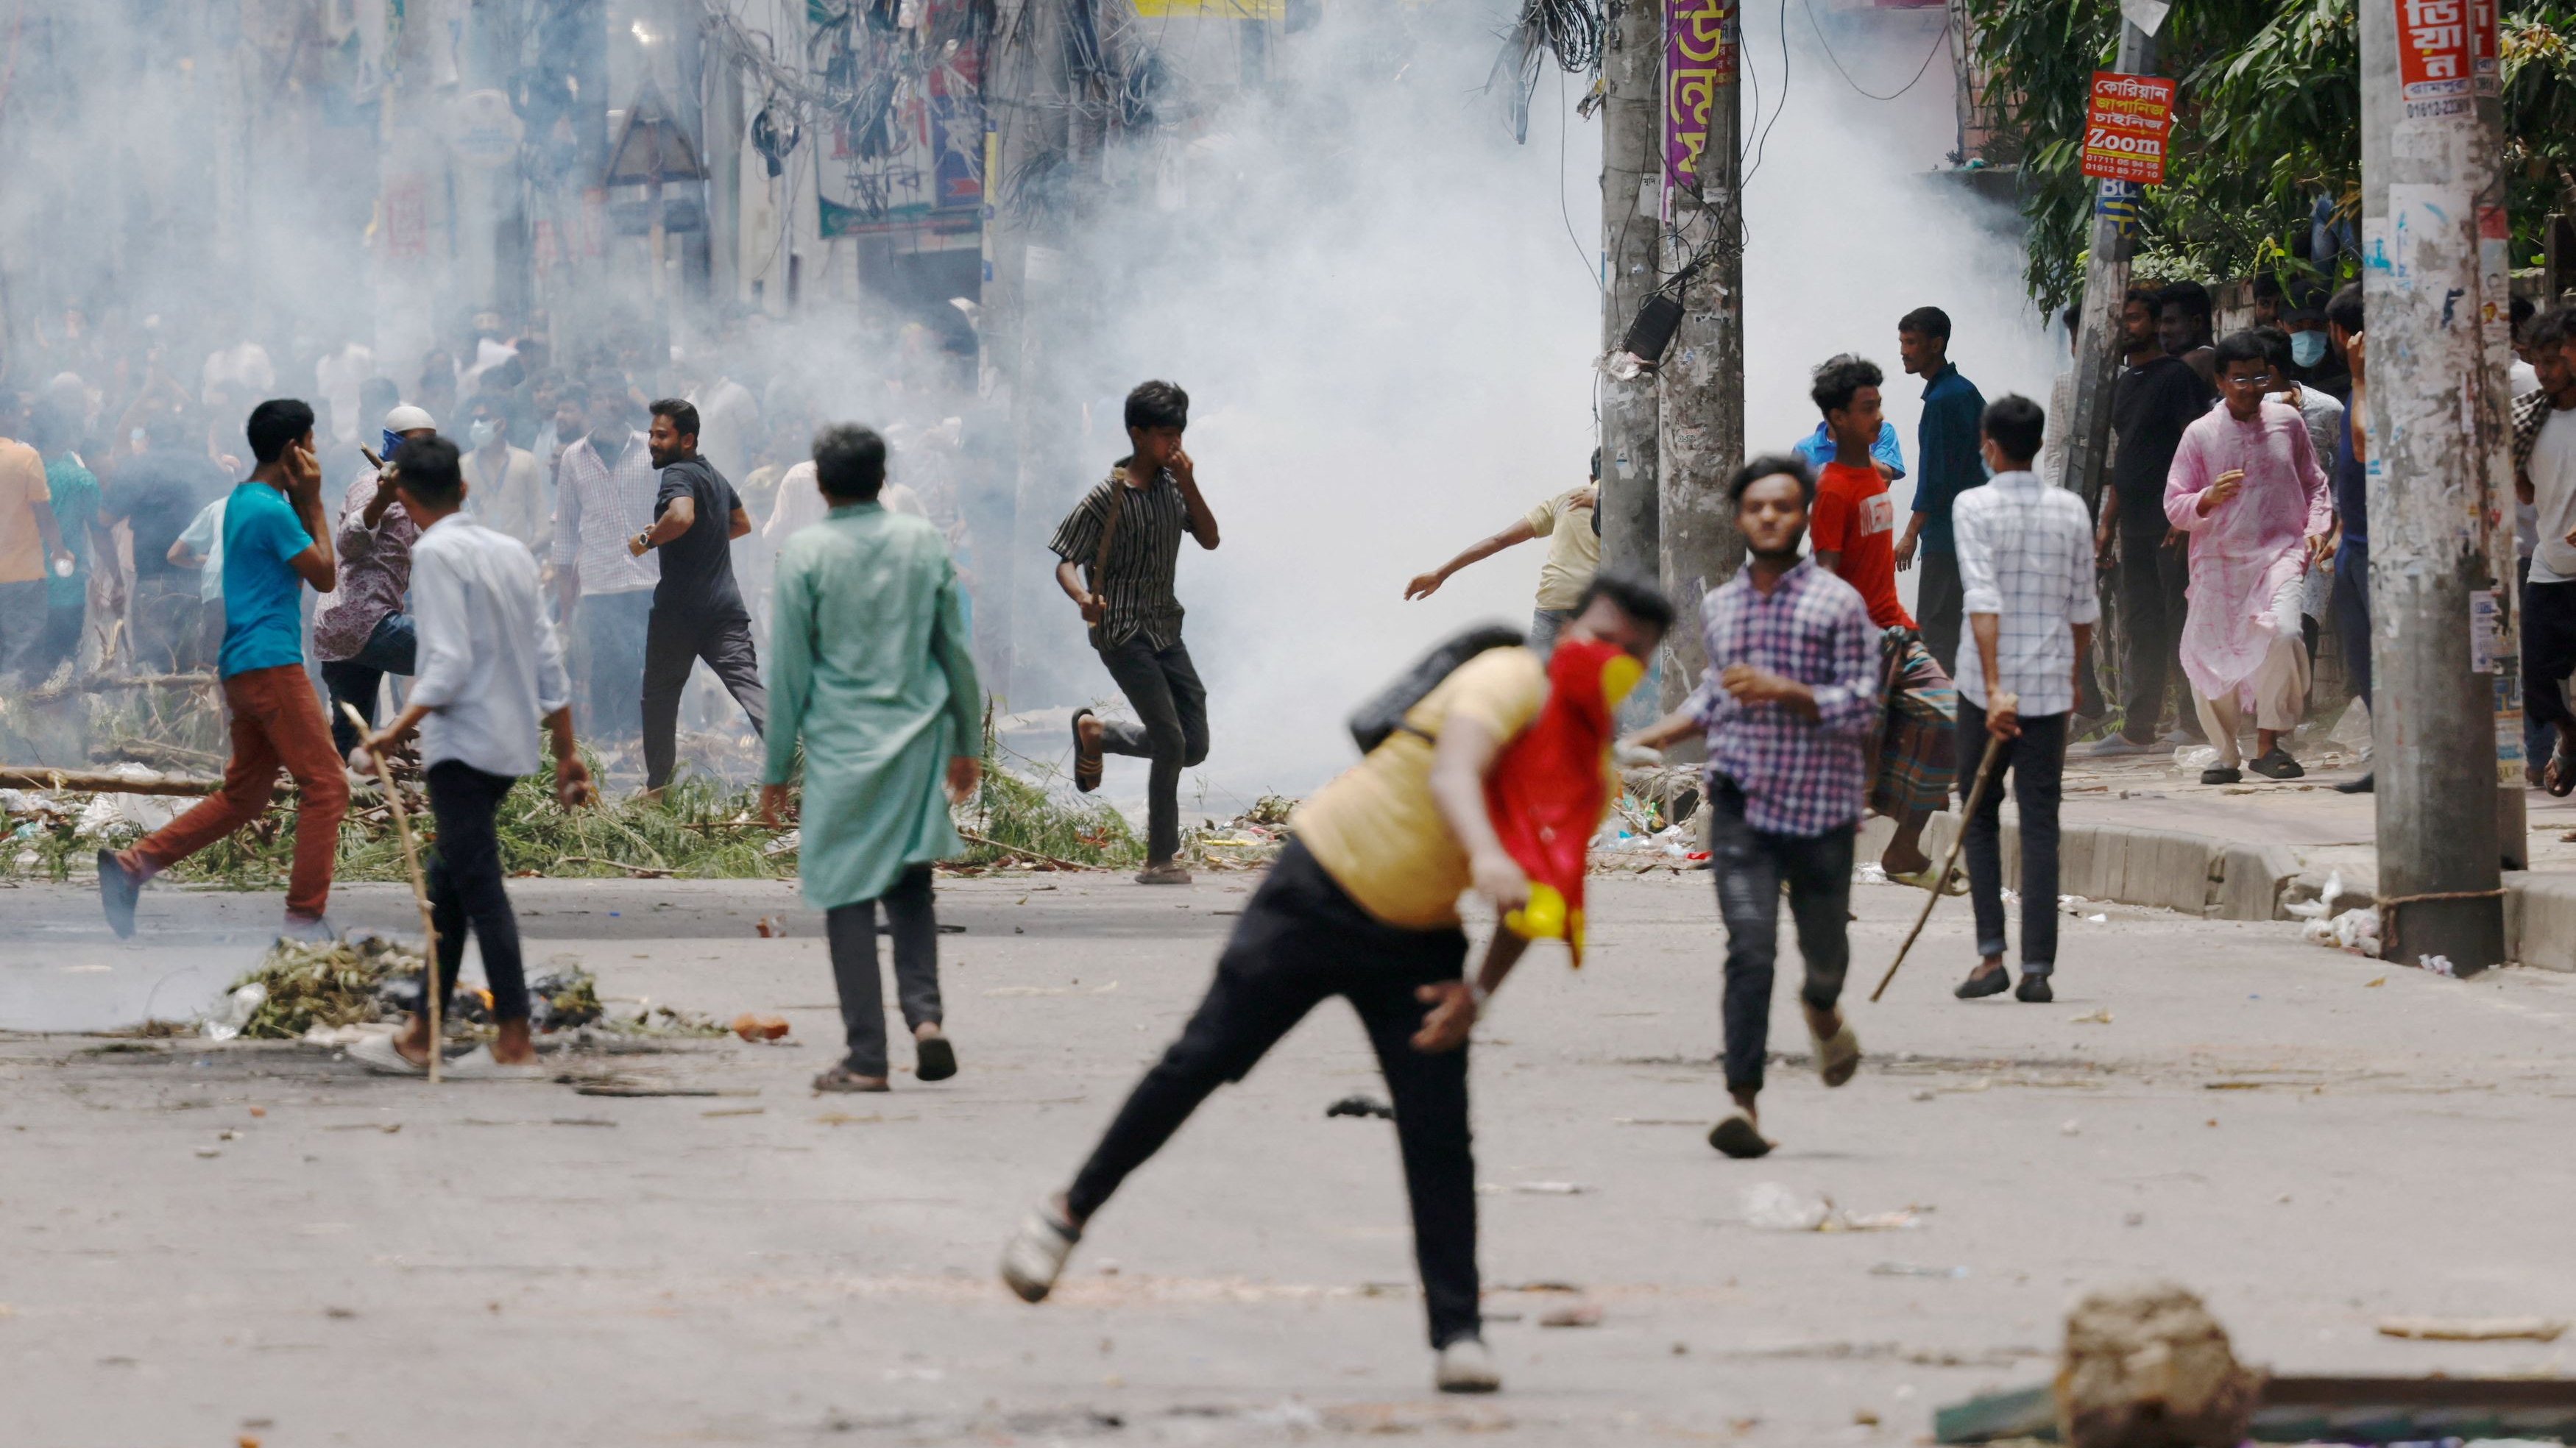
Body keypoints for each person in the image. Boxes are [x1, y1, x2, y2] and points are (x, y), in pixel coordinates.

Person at [998, 572, 1676, 1396]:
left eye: (1630, 657)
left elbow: (1541, 894)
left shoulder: (1589, 772)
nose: (1610, 660)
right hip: (1315, 889)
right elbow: (1455, 772)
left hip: (1418, 939)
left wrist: (1479, 995)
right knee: (1201, 1058)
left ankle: (1457, 1334)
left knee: (1438, 1130)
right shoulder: (1505, 678)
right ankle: (1063, 1217)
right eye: (1601, 638)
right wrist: (1487, 854)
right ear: (1568, 630)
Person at [1627, 457, 1875, 1160]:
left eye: (1784, 507)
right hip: (1741, 806)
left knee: (1823, 958)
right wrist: (1650, 736)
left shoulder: (1837, 605)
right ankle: (1745, 1105)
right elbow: (1716, 695)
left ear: (1801, 518)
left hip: (1822, 808)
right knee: (1750, 950)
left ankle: (1822, 1010)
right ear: (1739, 518)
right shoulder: (1721, 607)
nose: (1770, 517)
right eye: (1757, 507)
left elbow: (1862, 705)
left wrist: (1789, 691)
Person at [345, 436, 595, 1079]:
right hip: (509, 746)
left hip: (463, 749)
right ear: (463, 489)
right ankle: (421, 1035)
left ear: (402, 500)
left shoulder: (433, 554)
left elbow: (446, 664)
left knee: (478, 891)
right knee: (449, 888)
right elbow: (547, 656)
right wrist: (566, 752)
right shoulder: (509, 551)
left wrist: (390, 734)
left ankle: (514, 1040)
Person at [758, 425, 980, 1093]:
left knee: (847, 894)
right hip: (917, 745)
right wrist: (967, 743)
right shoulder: (923, 544)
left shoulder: (805, 554)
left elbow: (790, 673)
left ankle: (866, 1057)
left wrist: (773, 772)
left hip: (841, 749)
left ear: (820, 485)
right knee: (910, 886)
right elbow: (956, 654)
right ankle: (926, 1019)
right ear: (883, 478)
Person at [96, 400, 348, 940]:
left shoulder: (241, 500)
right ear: (294, 450)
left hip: (241, 664)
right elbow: (325, 576)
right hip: (271, 663)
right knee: (327, 786)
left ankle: (131, 867)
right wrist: (316, 501)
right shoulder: (273, 511)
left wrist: (302, 500)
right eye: (313, 443)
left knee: (244, 797)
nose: (318, 454)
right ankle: (305, 918)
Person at [1949, 396, 2096, 1004]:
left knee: (1979, 819)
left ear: (1988, 444)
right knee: (2040, 824)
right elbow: (2083, 608)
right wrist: (2072, 676)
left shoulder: (1972, 505)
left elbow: (1982, 600)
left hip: (1987, 691)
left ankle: (1991, 956)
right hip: (2049, 689)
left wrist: (1991, 690)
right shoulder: (2071, 509)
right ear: (2037, 443)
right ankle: (2037, 968)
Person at [1051, 380, 1221, 884]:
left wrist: (1189, 482)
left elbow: (1210, 538)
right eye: (1165, 436)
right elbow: (1066, 561)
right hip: (1122, 630)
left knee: (1194, 745)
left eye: (1179, 436)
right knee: (1169, 738)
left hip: (1166, 625)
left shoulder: (1175, 485)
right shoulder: (1109, 496)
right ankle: (1160, 858)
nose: (1174, 446)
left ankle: (1097, 734)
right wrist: (1083, 597)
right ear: (1137, 434)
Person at [1805, 355, 1952, 884]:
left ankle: (1904, 849)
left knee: (1945, 716)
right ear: (1838, 418)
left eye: (1879, 405)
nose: (1878, 417)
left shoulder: (1874, 471)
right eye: (1868, 409)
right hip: (1858, 640)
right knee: (1849, 768)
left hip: (1896, 630)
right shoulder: (1832, 489)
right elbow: (1825, 575)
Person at [2165, 333, 2332, 785]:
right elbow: (2174, 505)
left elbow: (2315, 482)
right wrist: (2207, 496)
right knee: (2208, 652)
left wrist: (2317, 529)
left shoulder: (2288, 422)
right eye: (2239, 379)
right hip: (2217, 563)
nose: (2250, 387)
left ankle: (2270, 744)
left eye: (2259, 377)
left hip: (2280, 554)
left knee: (2283, 634)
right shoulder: (2200, 434)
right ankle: (2225, 753)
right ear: (2220, 381)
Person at [2090, 288, 2215, 756]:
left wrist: (2190, 513)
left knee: (2180, 618)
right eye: (2120, 320)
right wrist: (2108, 522)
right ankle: (2138, 727)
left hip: (2171, 524)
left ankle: (2194, 722)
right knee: (2140, 623)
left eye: (2135, 318)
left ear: (2154, 322)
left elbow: (2196, 446)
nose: (2126, 328)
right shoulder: (2125, 382)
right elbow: (2129, 454)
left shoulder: (2177, 377)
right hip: (2135, 524)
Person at [631, 398, 767, 794]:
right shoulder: (714, 475)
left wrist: (646, 539)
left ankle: (658, 792)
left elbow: (682, 516)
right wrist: (699, 541)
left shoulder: (677, 473)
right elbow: (741, 524)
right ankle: (797, 763)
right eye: (651, 434)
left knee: (659, 699)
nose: (653, 442)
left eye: (662, 435)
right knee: (749, 688)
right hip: (725, 608)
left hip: (679, 613)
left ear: (687, 440)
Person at [315, 406, 437, 761]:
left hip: (345, 629)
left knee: (349, 743)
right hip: (363, 620)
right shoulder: (371, 485)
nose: (426, 453)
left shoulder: (412, 492)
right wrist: (383, 500)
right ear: (394, 445)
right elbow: (349, 543)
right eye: (418, 443)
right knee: (457, 655)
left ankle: (332, 806)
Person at [553, 381, 661, 745]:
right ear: (590, 405)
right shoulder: (573, 457)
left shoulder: (651, 449)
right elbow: (566, 529)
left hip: (649, 576)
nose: (608, 403)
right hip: (598, 580)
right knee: (606, 661)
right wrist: (566, 595)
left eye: (615, 395)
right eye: (600, 396)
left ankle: (639, 735)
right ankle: (605, 738)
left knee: (647, 660)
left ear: (625, 402)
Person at [1403, 458, 1599, 656]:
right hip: (1594, 605)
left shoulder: (1565, 500)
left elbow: (1499, 540)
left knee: (1538, 675)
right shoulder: (1623, 506)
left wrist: (1441, 573)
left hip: (1553, 601)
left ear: (1592, 478)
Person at [1892, 305, 1989, 676]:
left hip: (1948, 535)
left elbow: (1937, 477)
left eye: (1912, 342)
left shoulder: (1945, 399)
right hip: (1971, 531)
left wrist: (1910, 533)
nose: (1903, 350)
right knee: (1961, 627)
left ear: (1937, 344)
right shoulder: (1960, 392)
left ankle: (1946, 723)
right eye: (1901, 342)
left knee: (1936, 629)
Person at [102, 411, 228, 674]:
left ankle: (163, 715)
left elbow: (104, 519)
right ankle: (200, 715)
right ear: (183, 437)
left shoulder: (138, 467)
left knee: (158, 674)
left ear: (148, 439)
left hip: (154, 582)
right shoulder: (208, 468)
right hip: (204, 583)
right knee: (203, 670)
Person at [2516, 308, 2576, 794]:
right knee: (2534, 676)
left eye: (2554, 359)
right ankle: (2568, 733)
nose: (2546, 371)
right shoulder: (2529, 418)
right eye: (2538, 361)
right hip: (2551, 565)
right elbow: (2528, 492)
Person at [2321, 285, 2376, 795]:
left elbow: (2363, 451)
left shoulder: (2371, 387)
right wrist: (2337, 528)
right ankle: (2385, 758)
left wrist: (2359, 377)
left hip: (2379, 548)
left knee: (2382, 658)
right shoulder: (2353, 394)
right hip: (2353, 541)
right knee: (2362, 661)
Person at [30, 405, 102, 673]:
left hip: (18, 587)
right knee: (63, 666)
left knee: (22, 667)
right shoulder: (81, 479)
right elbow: (99, 530)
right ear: (65, 435)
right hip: (66, 590)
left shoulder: (17, 472)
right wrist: (114, 577)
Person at [0, 423, 74, 681]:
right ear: (7, 414)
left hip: (21, 578)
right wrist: (60, 551)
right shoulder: (24, 457)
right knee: (19, 662)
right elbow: (43, 513)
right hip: (21, 578)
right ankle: (12, 719)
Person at [460, 393, 549, 556]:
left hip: (519, 557)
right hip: (478, 563)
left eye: (484, 418)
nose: (476, 425)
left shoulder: (525, 462)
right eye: (473, 420)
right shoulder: (462, 466)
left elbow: (540, 520)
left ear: (501, 424)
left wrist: (524, 555)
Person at [2159, 280, 2218, 388]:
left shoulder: (2195, 361)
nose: (2163, 330)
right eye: (2160, 322)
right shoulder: (2217, 357)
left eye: (2170, 321)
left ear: (2197, 322)